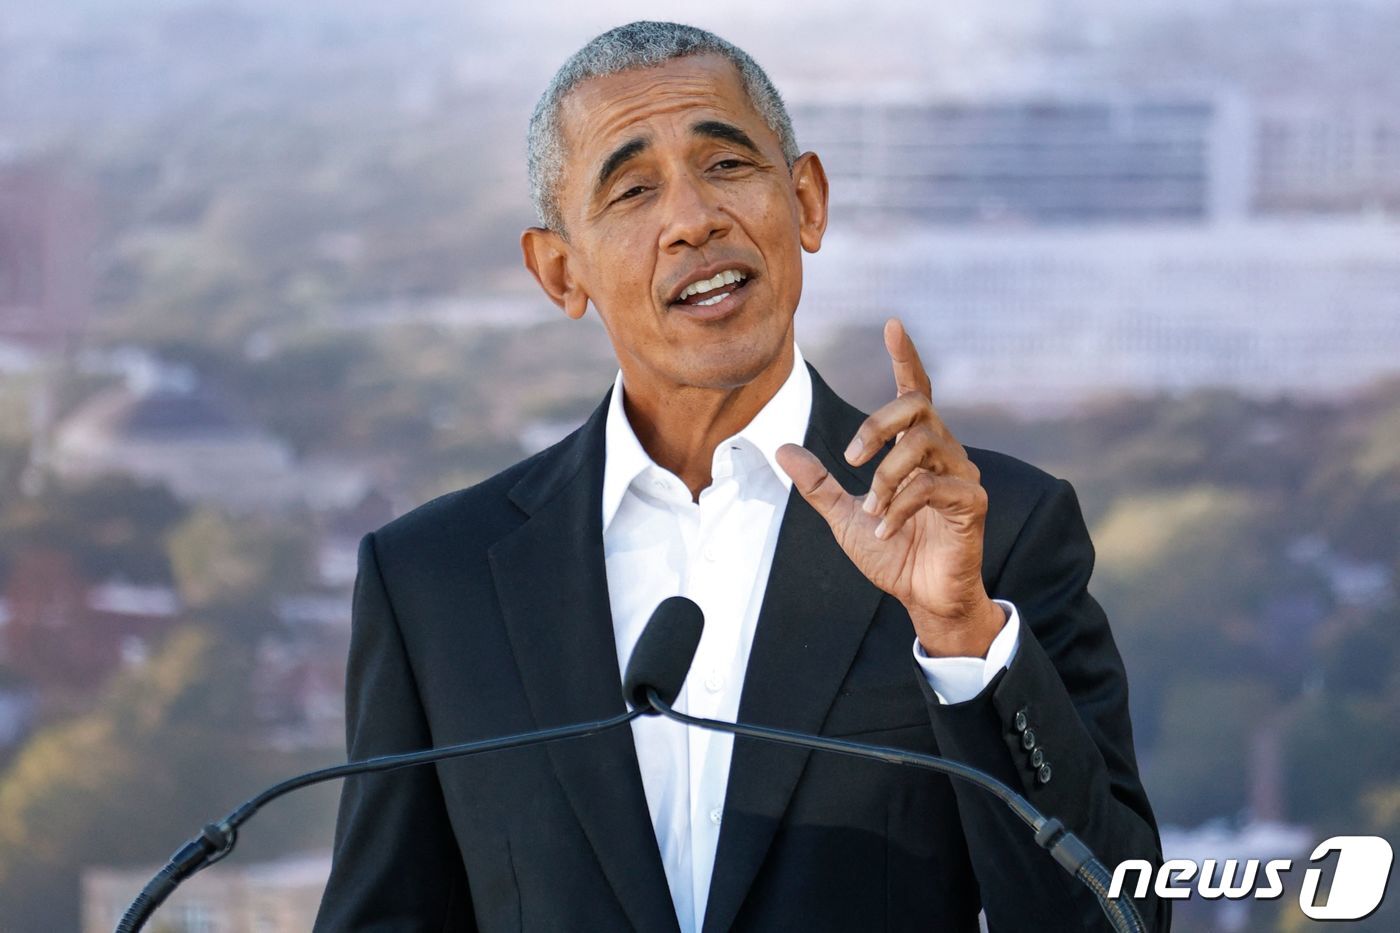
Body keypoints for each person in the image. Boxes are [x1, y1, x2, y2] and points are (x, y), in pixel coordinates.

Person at [315, 21, 1167, 933]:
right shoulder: (436, 582)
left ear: (806, 200)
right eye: (634, 189)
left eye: (726, 167)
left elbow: (1120, 919)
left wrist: (961, 634)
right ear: (560, 270)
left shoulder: (994, 530)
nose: (693, 220)